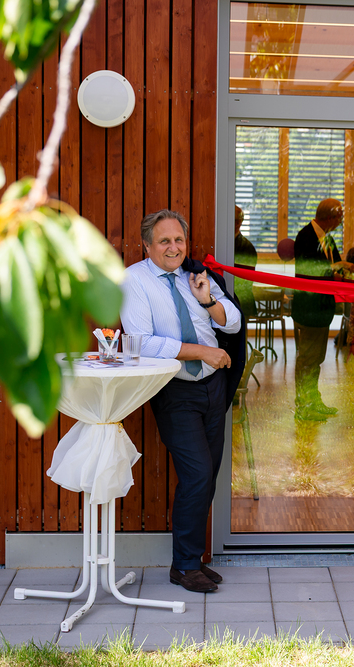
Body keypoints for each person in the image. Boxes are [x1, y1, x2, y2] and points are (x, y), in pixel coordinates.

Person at [121, 209, 242, 593]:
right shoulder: (134, 281)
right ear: (147, 245)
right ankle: (185, 566)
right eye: (164, 241)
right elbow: (142, 343)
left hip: (213, 386)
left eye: (179, 240)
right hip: (175, 390)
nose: (174, 248)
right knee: (197, 474)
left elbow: (233, 322)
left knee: (209, 473)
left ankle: (191, 559)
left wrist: (207, 301)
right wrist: (203, 352)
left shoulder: (197, 275)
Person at [292, 198, 354, 421]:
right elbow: (311, 271)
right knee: (308, 358)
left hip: (321, 307)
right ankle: (304, 405)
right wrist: (337, 270)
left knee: (316, 357)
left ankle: (313, 400)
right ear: (330, 217)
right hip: (309, 307)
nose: (341, 222)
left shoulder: (325, 237)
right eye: (340, 217)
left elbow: (332, 267)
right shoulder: (306, 236)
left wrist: (344, 269)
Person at [233, 205, 257, 320]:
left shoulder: (247, 247)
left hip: (240, 301)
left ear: (238, 223)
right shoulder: (221, 242)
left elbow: (245, 281)